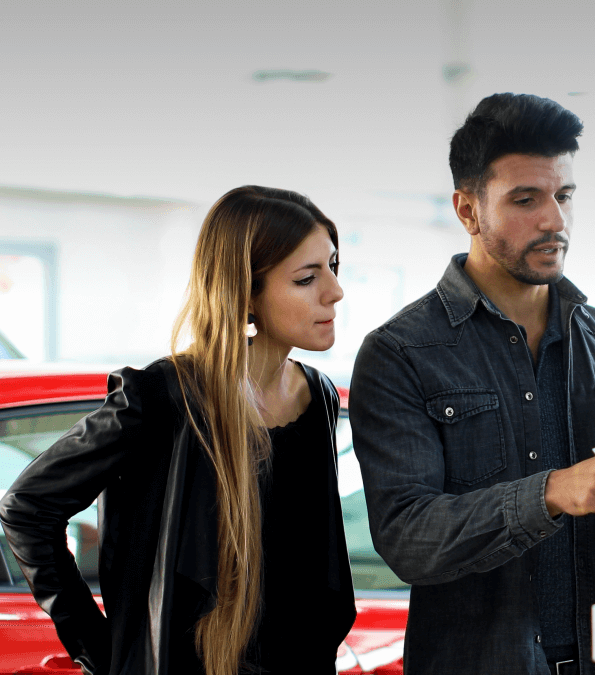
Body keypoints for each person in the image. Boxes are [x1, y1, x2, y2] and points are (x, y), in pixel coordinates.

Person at [350, 93, 595, 675]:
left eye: (564, 196)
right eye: (526, 200)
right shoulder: (400, 354)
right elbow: (408, 538)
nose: (554, 219)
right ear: (468, 210)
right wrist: (550, 492)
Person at [0, 186, 354, 675]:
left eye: (334, 266)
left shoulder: (318, 398)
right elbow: (26, 508)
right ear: (245, 292)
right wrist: (107, 651)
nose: (334, 291)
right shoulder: (163, 397)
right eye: (306, 278)